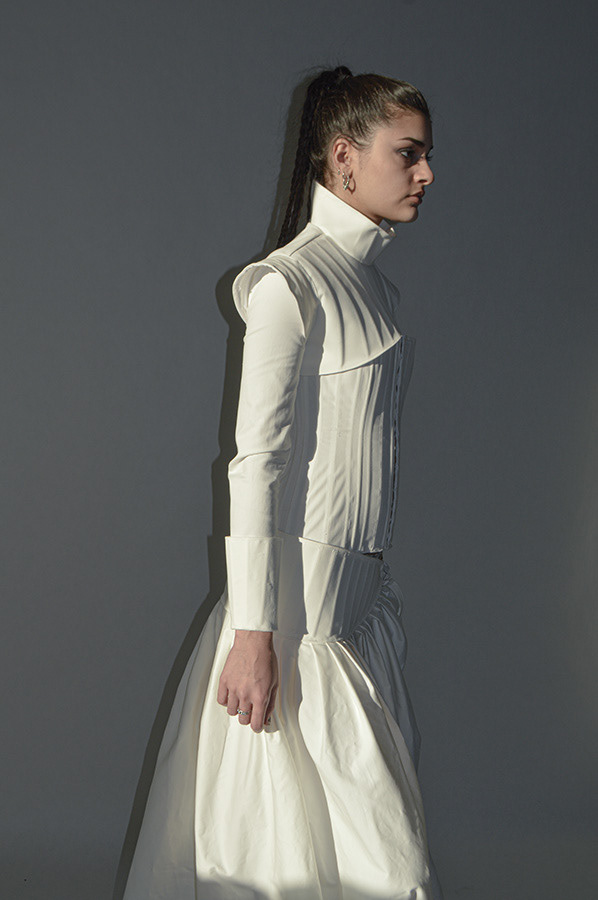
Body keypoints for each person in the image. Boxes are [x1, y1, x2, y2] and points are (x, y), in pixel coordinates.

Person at [122, 65, 443, 899]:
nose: (426, 173)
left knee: (355, 859)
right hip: (294, 625)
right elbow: (255, 463)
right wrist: (253, 634)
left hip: (357, 619)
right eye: (408, 153)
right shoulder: (287, 284)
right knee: (317, 862)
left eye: (426, 156)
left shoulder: (378, 286)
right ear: (344, 156)